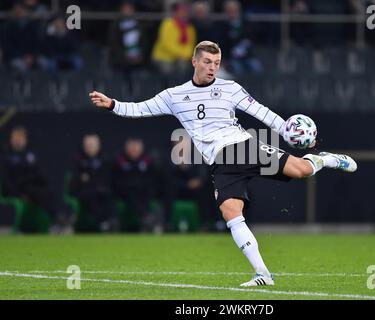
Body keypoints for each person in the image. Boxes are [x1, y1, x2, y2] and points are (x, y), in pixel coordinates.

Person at [89, 40, 357, 287]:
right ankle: (263, 274)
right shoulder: (174, 95)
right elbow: (139, 108)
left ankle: (327, 159)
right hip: (220, 163)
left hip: (243, 147)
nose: (212, 67)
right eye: (207, 62)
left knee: (302, 170)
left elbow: (261, 112)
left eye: (216, 63)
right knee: (231, 214)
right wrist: (113, 104)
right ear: (194, 62)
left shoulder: (230, 88)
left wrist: (288, 132)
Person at [0, 126, 59, 227]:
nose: (18, 140)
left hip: (30, 188)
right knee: (39, 193)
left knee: (46, 191)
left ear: (25, 139)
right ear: (11, 138)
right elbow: (5, 180)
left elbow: (39, 174)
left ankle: (50, 221)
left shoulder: (30, 154)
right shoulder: (5, 154)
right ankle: (56, 219)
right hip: (15, 190)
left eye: (21, 137)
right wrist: (18, 194)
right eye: (16, 137)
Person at [111, 137, 163, 232]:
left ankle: (148, 219)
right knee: (129, 190)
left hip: (143, 192)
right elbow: (115, 180)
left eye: (136, 147)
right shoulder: (119, 160)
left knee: (146, 190)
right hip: (125, 191)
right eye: (132, 146)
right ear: (126, 148)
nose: (134, 149)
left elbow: (153, 179)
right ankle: (146, 217)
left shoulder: (148, 160)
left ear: (141, 147)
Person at [69, 134, 117, 232]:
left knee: (107, 195)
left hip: (100, 191)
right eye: (87, 145)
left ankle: (111, 222)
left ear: (98, 146)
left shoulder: (105, 160)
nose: (89, 148)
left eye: (92, 145)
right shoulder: (77, 160)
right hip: (83, 192)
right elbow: (74, 179)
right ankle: (103, 222)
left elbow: (107, 179)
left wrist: (89, 178)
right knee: (90, 195)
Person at [151, 1, 196, 75]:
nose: (183, 13)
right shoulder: (167, 23)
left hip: (181, 56)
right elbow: (166, 43)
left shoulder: (190, 28)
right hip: (164, 56)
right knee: (167, 68)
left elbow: (190, 45)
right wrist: (179, 54)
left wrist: (184, 55)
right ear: (175, 12)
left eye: (185, 11)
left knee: (184, 66)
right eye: (181, 11)